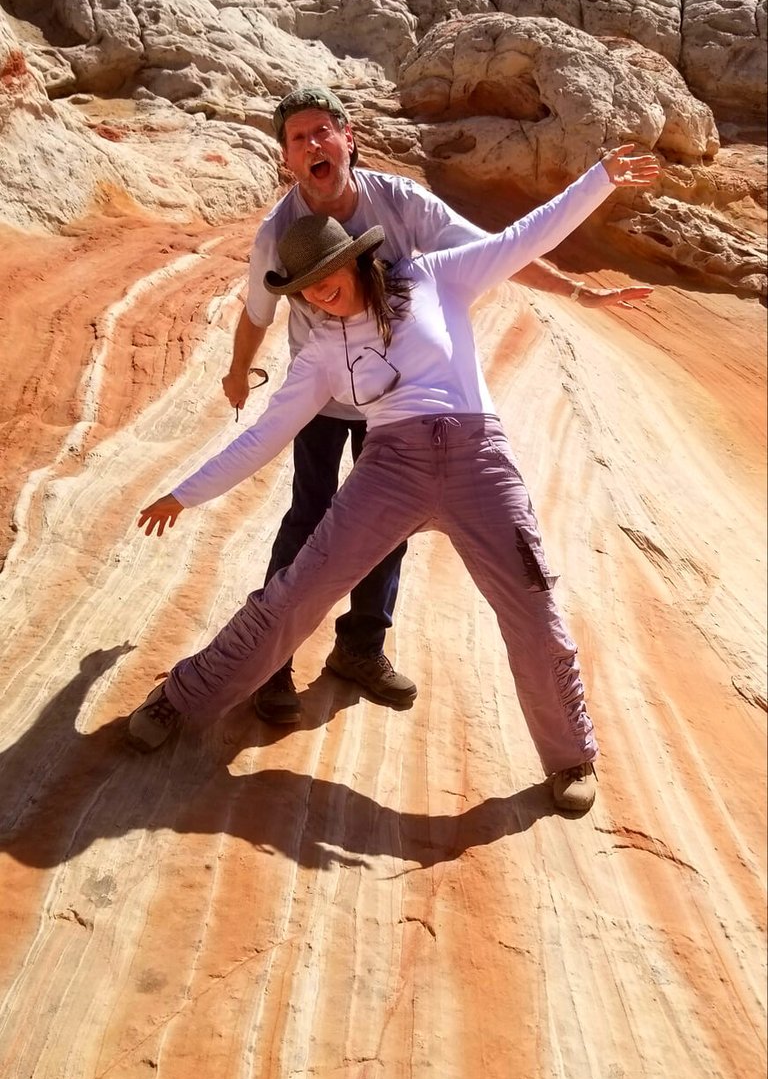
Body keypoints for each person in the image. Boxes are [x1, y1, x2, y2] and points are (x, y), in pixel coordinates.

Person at [127, 143, 660, 814]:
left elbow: (526, 236)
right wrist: (186, 491)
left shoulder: (436, 276)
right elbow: (267, 434)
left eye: (327, 273)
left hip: (477, 459)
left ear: (353, 256)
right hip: (392, 466)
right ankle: (181, 698)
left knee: (532, 606)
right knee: (295, 593)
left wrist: (599, 175)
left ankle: (570, 756)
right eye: (305, 287)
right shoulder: (321, 349)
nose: (321, 292)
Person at [228, 86, 653, 724]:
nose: (314, 145)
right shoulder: (278, 233)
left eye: (324, 131)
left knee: (389, 523)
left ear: (350, 137)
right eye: (298, 138)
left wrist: (576, 292)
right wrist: (238, 372)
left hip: (399, 399)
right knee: (310, 516)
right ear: (286, 158)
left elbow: (500, 247)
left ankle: (361, 649)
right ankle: (272, 665)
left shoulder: (399, 200)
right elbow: (256, 313)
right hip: (322, 392)